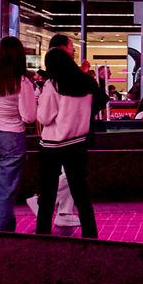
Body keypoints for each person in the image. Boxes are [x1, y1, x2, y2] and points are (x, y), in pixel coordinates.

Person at [35, 36, 104, 239]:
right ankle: (90, 234)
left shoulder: (53, 85)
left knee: (47, 194)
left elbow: (44, 117)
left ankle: (42, 234)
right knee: (80, 192)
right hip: (78, 143)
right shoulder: (87, 82)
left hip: (52, 145)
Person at [0, 38, 38, 232]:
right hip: (11, 136)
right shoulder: (22, 81)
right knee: (6, 191)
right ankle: (1, 236)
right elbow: (29, 116)